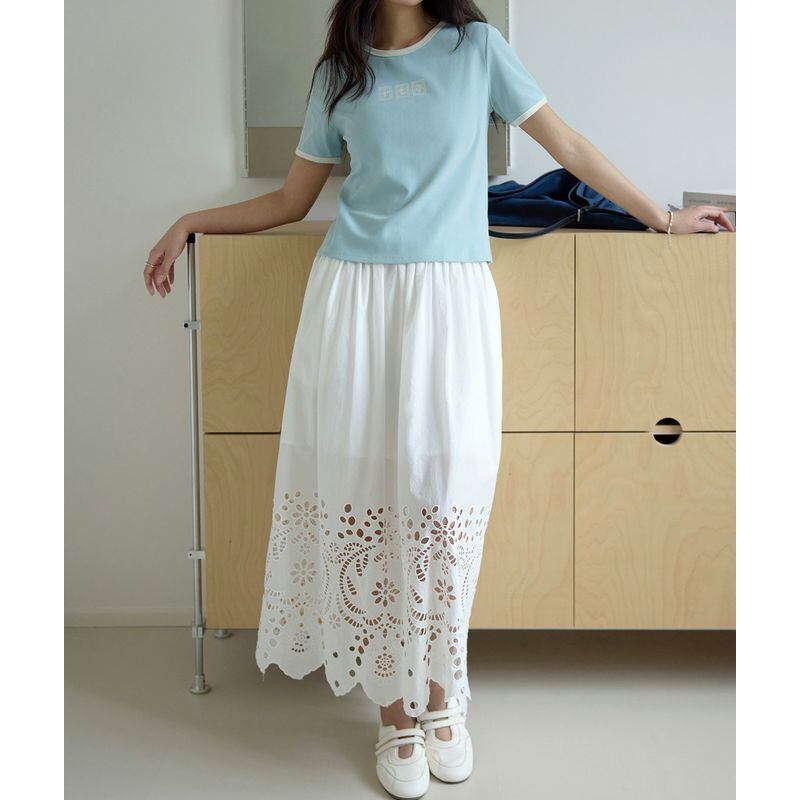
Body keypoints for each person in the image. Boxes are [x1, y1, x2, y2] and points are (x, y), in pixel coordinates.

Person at [143, 2, 734, 797]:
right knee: (372, 498)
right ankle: (394, 712)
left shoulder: (477, 50)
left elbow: (567, 146)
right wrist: (191, 221)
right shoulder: (339, 73)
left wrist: (662, 218)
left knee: (447, 498)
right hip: (355, 301)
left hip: (450, 301)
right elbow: (291, 202)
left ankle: (442, 693)